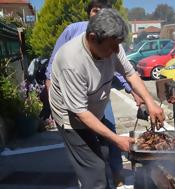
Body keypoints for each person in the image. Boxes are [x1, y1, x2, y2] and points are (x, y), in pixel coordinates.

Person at [49, 8, 165, 189]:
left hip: (94, 107)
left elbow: (130, 74)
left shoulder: (112, 47)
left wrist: (151, 103)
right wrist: (117, 140)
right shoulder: (71, 62)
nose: (116, 50)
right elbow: (80, 113)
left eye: (118, 44)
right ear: (93, 37)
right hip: (73, 119)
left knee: (102, 153)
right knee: (94, 170)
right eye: (112, 46)